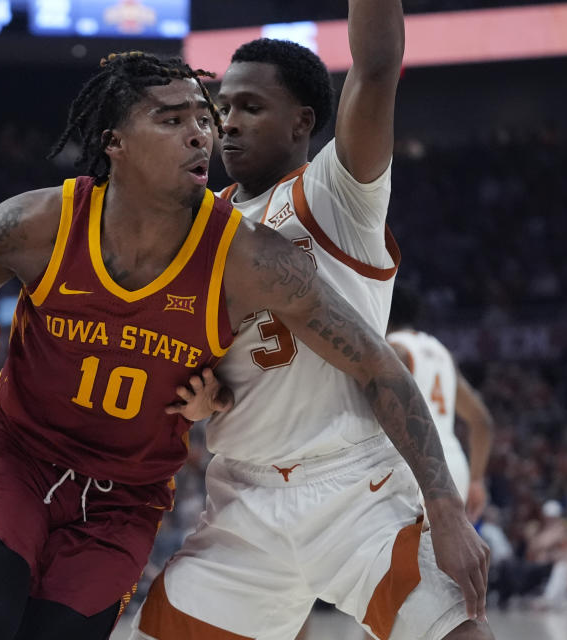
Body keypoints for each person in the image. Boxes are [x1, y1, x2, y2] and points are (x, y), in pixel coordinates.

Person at [0, 51, 480, 640]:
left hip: (125, 495)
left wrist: (445, 505)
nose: (202, 130)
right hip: (21, 457)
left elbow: (374, 363)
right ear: (115, 143)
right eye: (172, 119)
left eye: (203, 116)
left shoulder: (249, 259)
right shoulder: (36, 224)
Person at [128, 3, 492, 639]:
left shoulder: (336, 193)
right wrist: (197, 394)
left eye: (250, 107)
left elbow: (377, 67)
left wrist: (447, 506)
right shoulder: (195, 225)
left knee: (457, 631)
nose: (227, 123)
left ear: (303, 121)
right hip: (242, 498)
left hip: (355, 488)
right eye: (222, 107)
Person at [386, 285, 495, 521]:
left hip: (415, 466)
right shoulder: (441, 351)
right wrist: (476, 480)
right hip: (455, 465)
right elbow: (482, 421)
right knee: (436, 557)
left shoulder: (391, 349)